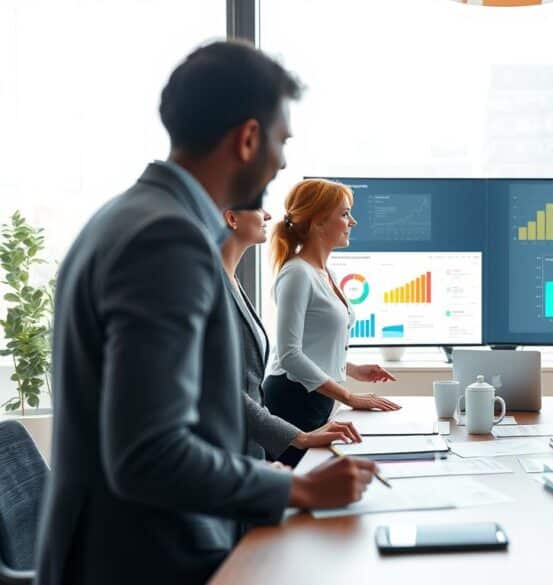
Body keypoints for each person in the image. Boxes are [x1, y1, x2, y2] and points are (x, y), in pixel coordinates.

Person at [36, 41, 379, 585]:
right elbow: (147, 454)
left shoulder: (126, 215)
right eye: (281, 140)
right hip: (148, 560)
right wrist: (298, 487)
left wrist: (253, 470)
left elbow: (181, 413)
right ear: (247, 138)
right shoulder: (167, 238)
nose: (284, 161)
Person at [264, 178, 399, 465]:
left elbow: (312, 346)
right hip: (293, 400)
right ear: (318, 222)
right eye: (344, 213)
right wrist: (351, 397)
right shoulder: (297, 274)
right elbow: (289, 355)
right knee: (300, 490)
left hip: (315, 397)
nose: (353, 222)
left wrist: (352, 368)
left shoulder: (326, 274)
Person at [220, 207, 363, 461]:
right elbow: (220, 389)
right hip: (227, 447)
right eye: (257, 206)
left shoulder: (231, 280)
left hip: (249, 443)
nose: (268, 216)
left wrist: (350, 368)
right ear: (231, 218)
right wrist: (299, 436)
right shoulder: (209, 287)